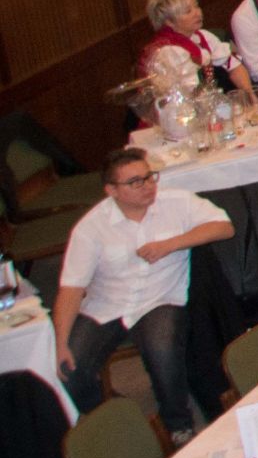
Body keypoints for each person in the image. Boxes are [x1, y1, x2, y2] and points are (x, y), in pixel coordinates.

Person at [51, 150, 228, 435]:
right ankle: (120, 420)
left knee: (162, 349)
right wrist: (60, 342)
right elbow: (71, 288)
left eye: (149, 177)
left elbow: (223, 227)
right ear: (112, 191)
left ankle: (179, 427)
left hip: (162, 298)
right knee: (70, 370)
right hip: (107, 304)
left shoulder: (176, 202)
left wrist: (173, 243)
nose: (147, 186)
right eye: (135, 182)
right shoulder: (91, 227)